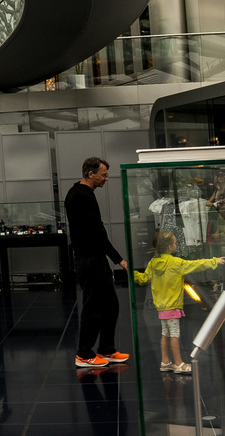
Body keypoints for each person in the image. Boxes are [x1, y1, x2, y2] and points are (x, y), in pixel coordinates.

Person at [66, 155, 131, 368]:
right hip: (89, 259)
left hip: (95, 258)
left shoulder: (85, 193)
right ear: (90, 174)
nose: (106, 178)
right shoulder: (80, 196)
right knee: (93, 307)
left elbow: (97, 231)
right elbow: (97, 231)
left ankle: (106, 349)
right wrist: (118, 259)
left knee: (110, 304)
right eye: (103, 175)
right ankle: (84, 354)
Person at [133, 231, 223, 375]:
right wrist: (214, 261)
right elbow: (196, 265)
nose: (176, 245)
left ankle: (165, 361)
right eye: (174, 243)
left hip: (161, 307)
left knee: (165, 333)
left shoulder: (153, 263)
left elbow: (143, 279)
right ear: (169, 247)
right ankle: (178, 363)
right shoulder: (175, 263)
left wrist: (131, 273)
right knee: (175, 334)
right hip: (173, 306)